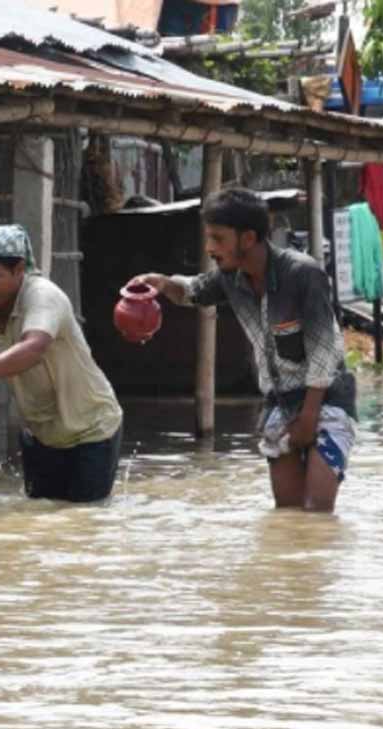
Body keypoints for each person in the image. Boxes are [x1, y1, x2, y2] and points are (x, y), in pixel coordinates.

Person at [133, 188, 357, 513]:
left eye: (218, 239)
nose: (210, 248)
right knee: (288, 514)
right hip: (279, 403)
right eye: (209, 238)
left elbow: (324, 351)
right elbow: (193, 291)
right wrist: (162, 283)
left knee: (315, 513)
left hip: (326, 400)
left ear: (248, 238)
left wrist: (308, 419)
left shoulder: (302, 274)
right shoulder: (230, 278)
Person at [0, 224, 123, 502]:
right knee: (41, 517)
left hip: (92, 428)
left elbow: (33, 348)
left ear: (19, 270)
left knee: (84, 519)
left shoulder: (43, 295)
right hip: (40, 433)